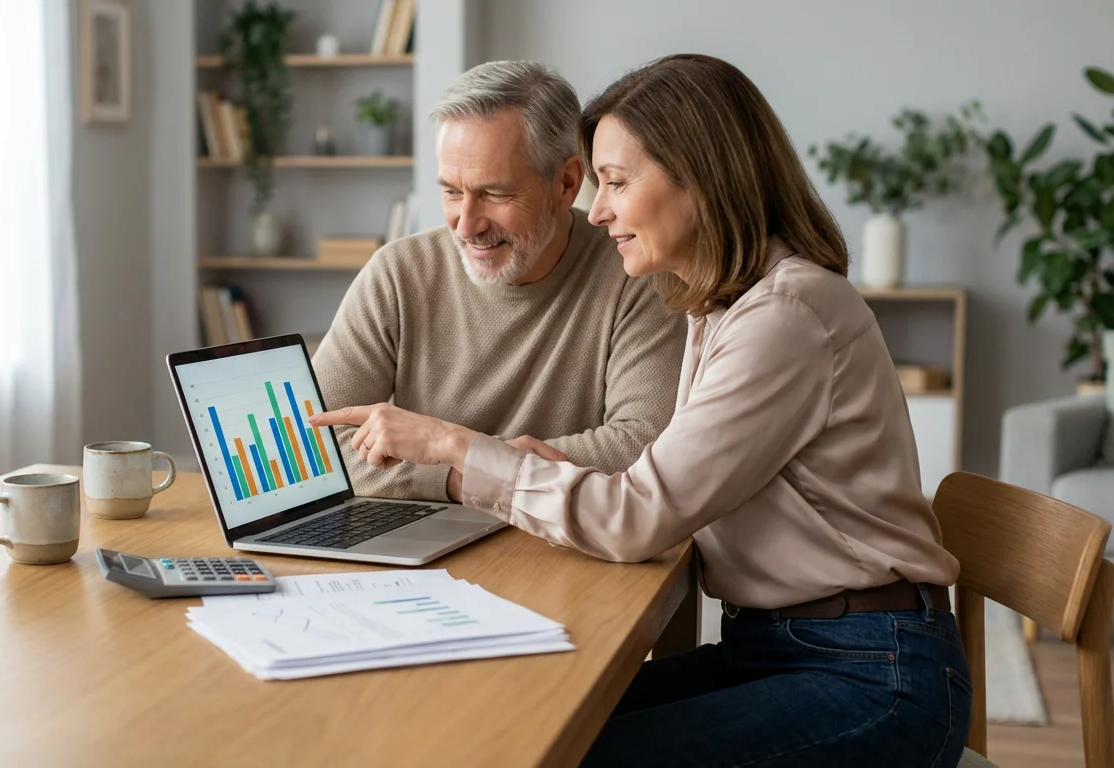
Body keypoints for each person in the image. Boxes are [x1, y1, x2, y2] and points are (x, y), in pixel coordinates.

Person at [311, 54, 971, 768]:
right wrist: (532, 465)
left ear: (701, 181)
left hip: (871, 676)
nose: (597, 210)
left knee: (560, 752)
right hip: (783, 649)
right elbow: (651, 472)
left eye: (617, 184)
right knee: (523, 720)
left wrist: (454, 449)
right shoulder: (720, 307)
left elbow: (637, 511)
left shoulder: (785, 316)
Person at [311, 60, 683, 504]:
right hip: (429, 541)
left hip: (569, 548)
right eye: (451, 191)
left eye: (494, 193)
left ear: (565, 184)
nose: (466, 225)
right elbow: (313, 449)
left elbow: (642, 447)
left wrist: (452, 453)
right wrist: (464, 478)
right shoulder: (398, 273)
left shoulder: (636, 273)